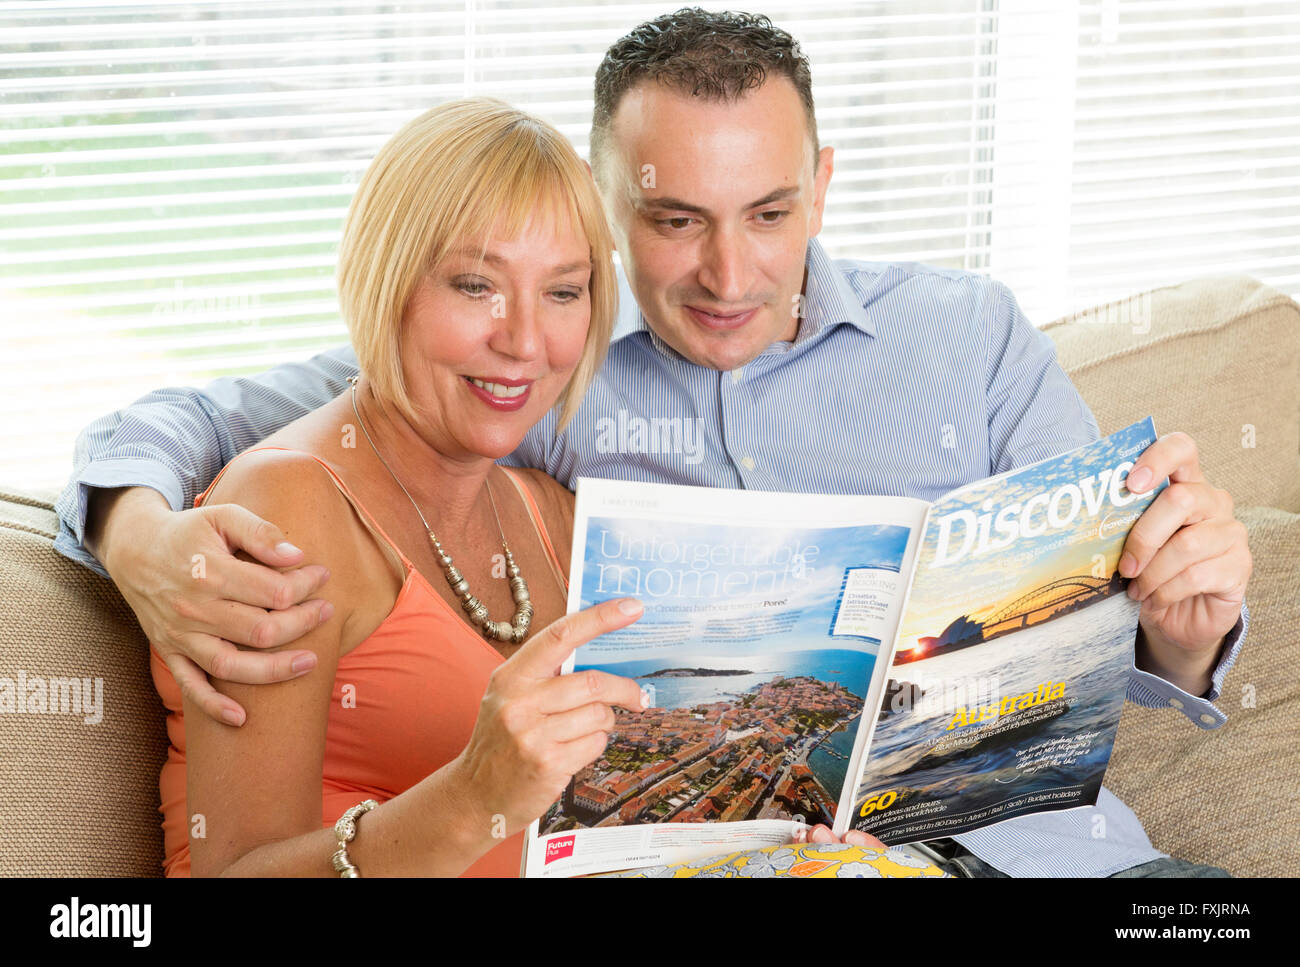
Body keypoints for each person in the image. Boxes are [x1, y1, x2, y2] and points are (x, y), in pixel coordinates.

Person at [57, 9, 1252, 878]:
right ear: (611, 210)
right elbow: (237, 417)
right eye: (676, 222)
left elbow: (1124, 633)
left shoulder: (971, 335)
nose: (730, 275)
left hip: (1058, 864)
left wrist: (1184, 629)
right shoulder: (541, 372)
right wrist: (137, 522)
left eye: (770, 214)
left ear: (821, 189)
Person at [134, 96, 662, 876]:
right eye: (477, 284)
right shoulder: (288, 508)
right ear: (389, 283)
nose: (522, 341)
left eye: (561, 292)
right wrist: (472, 793)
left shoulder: (549, 515)